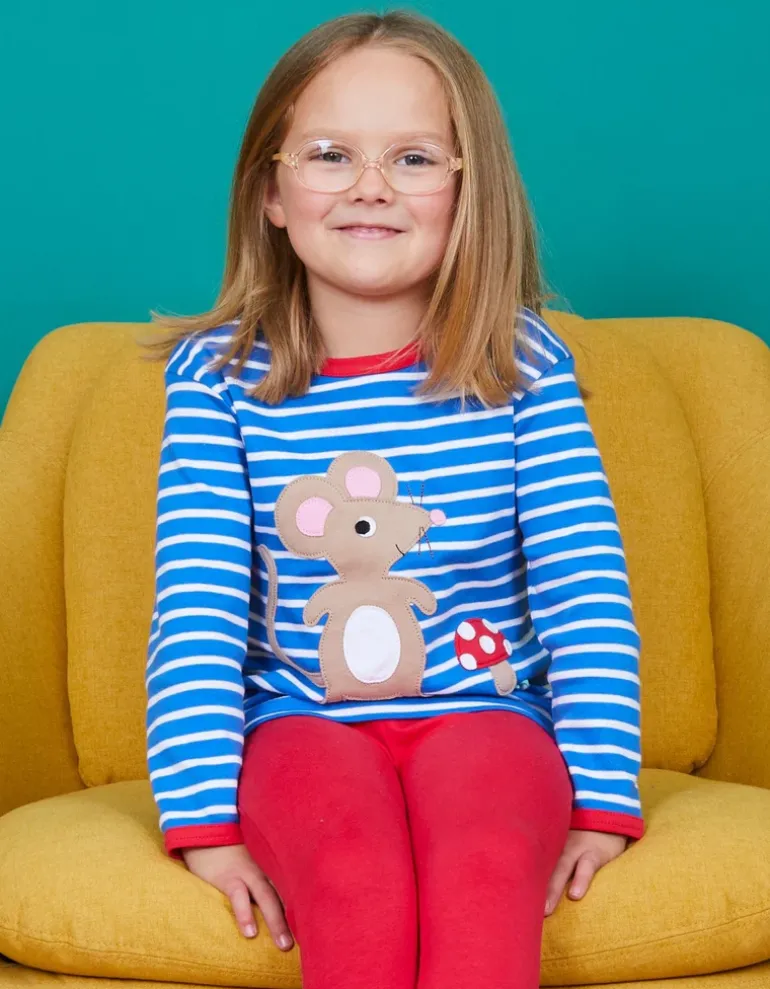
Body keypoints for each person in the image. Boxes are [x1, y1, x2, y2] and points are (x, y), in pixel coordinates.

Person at [140, 10, 645, 989]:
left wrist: (599, 796)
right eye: (330, 154)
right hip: (298, 724)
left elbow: (583, 588)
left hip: (491, 718)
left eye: (412, 158)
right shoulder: (216, 378)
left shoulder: (523, 365)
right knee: (353, 874)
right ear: (271, 192)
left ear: (467, 190)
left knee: (482, 864)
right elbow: (196, 604)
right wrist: (201, 817)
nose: (369, 185)